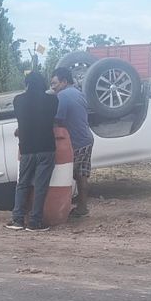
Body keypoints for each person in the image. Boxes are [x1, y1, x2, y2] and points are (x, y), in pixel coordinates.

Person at [7, 71, 59, 232]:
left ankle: (17, 220)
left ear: (27, 84)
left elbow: (23, 120)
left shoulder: (18, 100)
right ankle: (35, 222)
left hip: (27, 148)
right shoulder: (52, 100)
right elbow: (51, 118)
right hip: (46, 147)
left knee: (22, 184)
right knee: (40, 186)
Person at [51, 66, 95, 217]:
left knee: (63, 174)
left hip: (75, 143)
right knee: (82, 174)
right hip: (87, 139)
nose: (53, 87)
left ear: (63, 81)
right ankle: (82, 207)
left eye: (54, 83)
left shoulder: (62, 96)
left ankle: (60, 209)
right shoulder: (79, 93)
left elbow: (58, 120)